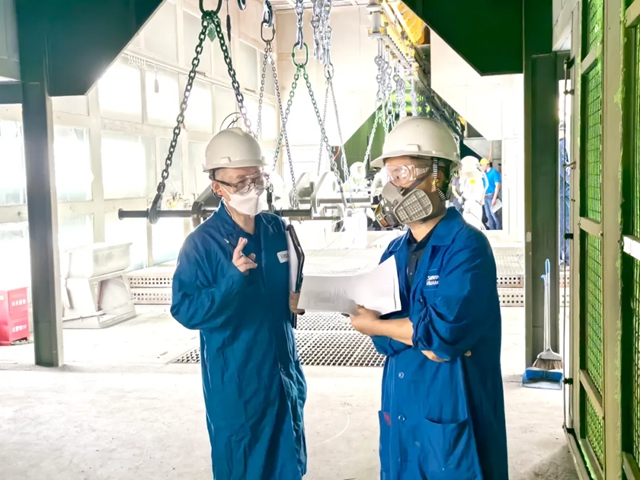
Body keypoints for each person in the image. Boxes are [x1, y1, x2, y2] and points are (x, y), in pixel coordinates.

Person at [354, 116, 509, 479]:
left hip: (451, 404)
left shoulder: (467, 247)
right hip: (401, 404)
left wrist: (382, 326)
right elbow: (384, 342)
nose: (394, 186)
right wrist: (400, 331)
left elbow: (442, 339)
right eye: (390, 175)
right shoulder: (394, 251)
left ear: (438, 176)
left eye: (404, 172)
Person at [170, 127, 308, 479]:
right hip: (238, 380)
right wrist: (231, 281)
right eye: (241, 182)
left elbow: (288, 284)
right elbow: (185, 310)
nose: (252, 189)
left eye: (257, 179)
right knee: (243, 465)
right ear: (217, 187)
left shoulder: (275, 229)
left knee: (287, 461)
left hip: (282, 371)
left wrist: (298, 298)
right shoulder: (201, 244)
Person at [479, 158, 502, 230]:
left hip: (491, 196)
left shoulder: (494, 172)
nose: (481, 167)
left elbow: (498, 186)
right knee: (488, 216)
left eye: (482, 165)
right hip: (485, 197)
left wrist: (494, 198)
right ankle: (492, 230)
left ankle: (498, 230)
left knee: (494, 215)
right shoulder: (484, 174)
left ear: (486, 164)